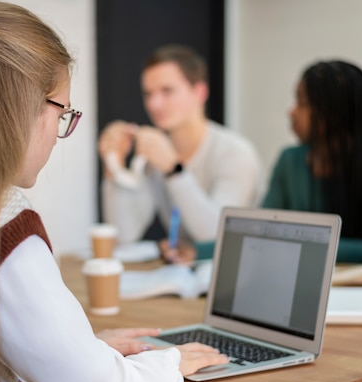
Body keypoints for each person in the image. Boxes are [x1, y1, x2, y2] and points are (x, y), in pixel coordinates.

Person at [0, 3, 228, 382]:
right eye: (63, 112)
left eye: (166, 91)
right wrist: (168, 361)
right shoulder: (0, 221)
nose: (60, 132)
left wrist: (78, 351)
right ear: (18, 106)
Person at [162, 60, 362, 264]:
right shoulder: (290, 161)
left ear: (332, 113)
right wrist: (198, 251)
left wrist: (291, 241)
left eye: (302, 102)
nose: (292, 112)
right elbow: (262, 233)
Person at [98, 44, 264, 247]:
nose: (154, 104)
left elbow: (216, 235)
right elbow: (124, 235)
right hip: (182, 275)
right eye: (148, 94)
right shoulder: (156, 154)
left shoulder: (236, 154)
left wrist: (173, 169)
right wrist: (113, 167)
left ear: (200, 92)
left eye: (167, 91)